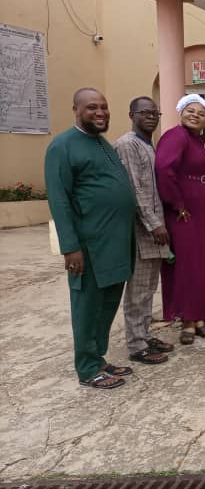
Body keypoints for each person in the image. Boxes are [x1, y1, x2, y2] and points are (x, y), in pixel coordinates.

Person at [45, 88, 137, 389]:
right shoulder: (63, 146)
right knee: (87, 306)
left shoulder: (102, 144)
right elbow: (59, 200)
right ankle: (87, 368)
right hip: (89, 246)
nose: (100, 113)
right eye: (92, 108)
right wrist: (70, 247)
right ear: (76, 109)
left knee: (108, 304)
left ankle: (98, 357)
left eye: (104, 107)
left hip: (116, 244)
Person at [155, 95, 205, 344]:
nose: (195, 114)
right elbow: (164, 170)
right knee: (187, 264)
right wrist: (176, 204)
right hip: (184, 210)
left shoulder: (197, 141)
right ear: (181, 112)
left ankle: (200, 316)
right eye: (190, 110)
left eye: (200, 112)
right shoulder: (175, 136)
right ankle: (187, 319)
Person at [114, 97, 171, 365]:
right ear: (131, 114)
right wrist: (154, 223)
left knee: (148, 288)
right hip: (141, 230)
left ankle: (145, 335)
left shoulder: (149, 145)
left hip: (155, 227)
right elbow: (133, 189)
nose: (150, 116)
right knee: (138, 289)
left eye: (154, 112)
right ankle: (137, 345)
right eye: (144, 112)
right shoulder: (128, 145)